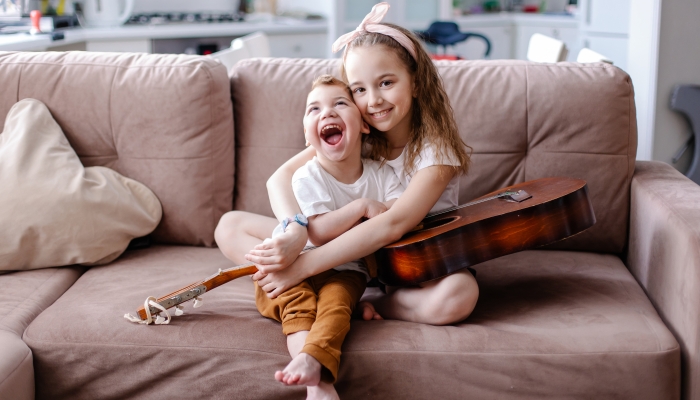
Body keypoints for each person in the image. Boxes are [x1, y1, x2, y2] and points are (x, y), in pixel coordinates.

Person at [216, 2, 477, 325]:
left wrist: (302, 266)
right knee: (229, 225)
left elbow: (393, 224)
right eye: (359, 90)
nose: (373, 100)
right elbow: (280, 178)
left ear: (416, 83)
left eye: (386, 83)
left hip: (406, 261)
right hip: (341, 249)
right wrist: (294, 231)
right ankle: (332, 285)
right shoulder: (359, 134)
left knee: (460, 293)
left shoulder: (436, 151)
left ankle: (375, 301)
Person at [238, 74, 404, 399]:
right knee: (298, 307)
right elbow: (317, 231)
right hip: (290, 266)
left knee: (336, 307)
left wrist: (386, 207)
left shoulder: (382, 173)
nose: (326, 113)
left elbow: (398, 213)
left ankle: (314, 363)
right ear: (307, 136)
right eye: (314, 109)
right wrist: (362, 207)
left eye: (339, 104)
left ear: (364, 126)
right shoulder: (308, 174)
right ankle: (319, 383)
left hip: (347, 269)